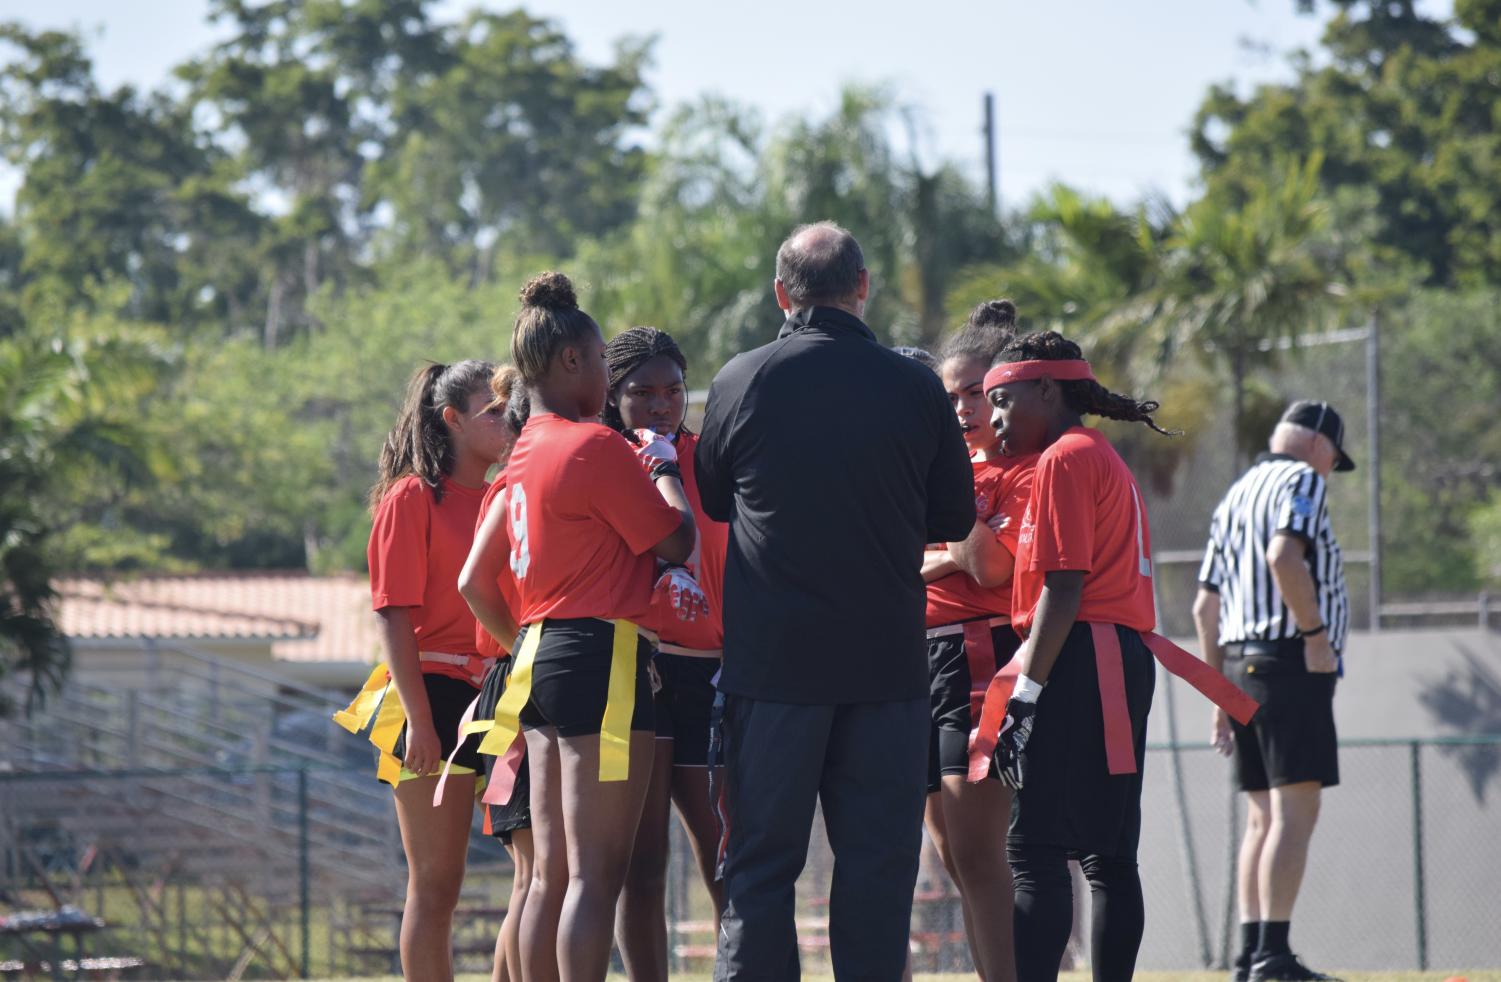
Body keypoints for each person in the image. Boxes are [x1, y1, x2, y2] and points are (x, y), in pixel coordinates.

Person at [695, 221, 976, 980]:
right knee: (876, 874)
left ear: (781, 294)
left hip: (774, 671)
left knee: (758, 869)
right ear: (863, 287)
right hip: (885, 671)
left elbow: (714, 501)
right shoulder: (915, 386)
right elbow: (954, 518)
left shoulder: (741, 378)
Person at [980, 331, 1257, 982]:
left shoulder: (1063, 458)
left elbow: (1065, 586)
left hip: (1081, 656)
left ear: (1047, 389)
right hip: (1114, 655)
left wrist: (1025, 692)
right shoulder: (1097, 453)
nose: (994, 417)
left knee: (1034, 848)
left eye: (1003, 399)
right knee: (1106, 853)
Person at [471, 272, 701, 982]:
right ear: (570, 361)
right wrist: (662, 467)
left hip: (535, 657)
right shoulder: (591, 447)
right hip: (601, 654)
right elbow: (676, 541)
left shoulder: (518, 458)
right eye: (603, 360)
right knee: (594, 876)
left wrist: (528, 643)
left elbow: (475, 582)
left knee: (551, 873)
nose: (608, 374)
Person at [332, 359, 514, 982]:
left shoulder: (505, 492)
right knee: (437, 884)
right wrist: (421, 723)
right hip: (429, 694)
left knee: (535, 873)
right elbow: (392, 617)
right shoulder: (414, 496)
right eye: (491, 410)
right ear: (453, 420)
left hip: (497, 690)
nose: (506, 418)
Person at [1193, 401, 1352, 982]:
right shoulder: (1302, 480)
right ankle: (1274, 956)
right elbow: (1284, 556)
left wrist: (1217, 693)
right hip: (1286, 662)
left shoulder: (1236, 493)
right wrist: (1314, 636)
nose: (1332, 469)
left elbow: (1204, 606)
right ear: (1318, 445)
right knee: (1296, 809)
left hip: (1235, 667)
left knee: (1262, 817)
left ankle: (1251, 952)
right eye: (1335, 458)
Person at [600, 327, 729, 982]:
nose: (659, 405)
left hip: (709, 670)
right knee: (642, 865)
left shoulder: (709, 462)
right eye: (641, 392)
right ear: (611, 395)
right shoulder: (601, 463)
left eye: (672, 391)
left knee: (724, 851)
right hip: (637, 667)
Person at [921, 299, 1034, 982]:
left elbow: (990, 566)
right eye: (950, 395)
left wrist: (945, 552)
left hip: (979, 653)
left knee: (979, 852)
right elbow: (903, 566)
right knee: (954, 855)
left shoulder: (1018, 471)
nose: (961, 407)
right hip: (925, 660)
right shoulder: (947, 474)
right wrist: (946, 557)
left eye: (975, 392)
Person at [455, 366, 533, 982]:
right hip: (517, 685)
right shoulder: (512, 486)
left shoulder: (514, 483)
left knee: (530, 878)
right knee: (535, 876)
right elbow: (474, 587)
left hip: (513, 680)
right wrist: (523, 656)